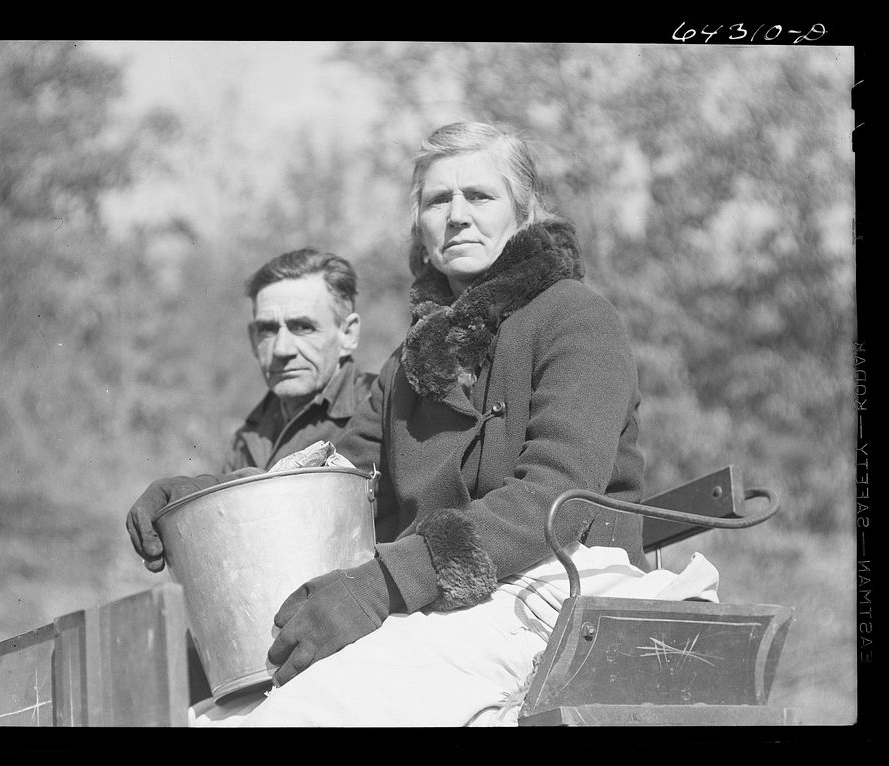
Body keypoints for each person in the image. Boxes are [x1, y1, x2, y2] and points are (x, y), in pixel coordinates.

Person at [132, 121, 720, 726]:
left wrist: (379, 584)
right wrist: (201, 497)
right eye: (439, 200)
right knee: (205, 715)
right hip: (438, 603)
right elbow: (331, 475)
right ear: (421, 226)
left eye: (480, 196)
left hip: (558, 587)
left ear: (524, 212)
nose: (457, 216)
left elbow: (555, 502)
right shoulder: (413, 359)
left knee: (299, 717)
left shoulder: (575, 318)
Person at [126, 248, 377, 573]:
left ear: (348, 334)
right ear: (251, 338)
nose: (282, 349)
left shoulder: (381, 407)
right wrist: (180, 499)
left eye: (303, 327)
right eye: (268, 330)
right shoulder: (250, 438)